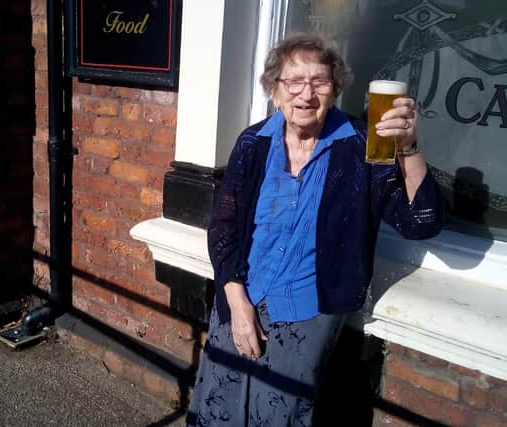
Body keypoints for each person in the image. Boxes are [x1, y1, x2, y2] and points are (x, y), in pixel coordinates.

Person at [186, 34, 443, 426]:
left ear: (335, 89)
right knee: (220, 404)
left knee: (282, 413)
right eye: (293, 81)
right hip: (239, 298)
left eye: (319, 82)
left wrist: (408, 147)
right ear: (275, 91)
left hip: (307, 313)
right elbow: (223, 227)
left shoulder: (361, 146)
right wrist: (237, 303)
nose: (305, 94)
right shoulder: (253, 143)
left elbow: (419, 222)